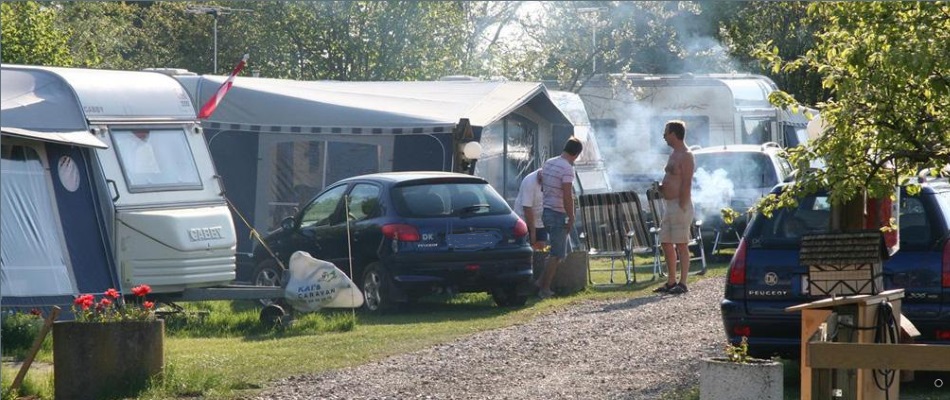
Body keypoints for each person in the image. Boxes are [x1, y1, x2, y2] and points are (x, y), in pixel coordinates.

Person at [536, 137, 583, 299]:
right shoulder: (567, 169)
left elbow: (542, 182)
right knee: (557, 254)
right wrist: (571, 216)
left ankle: (540, 281)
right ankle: (544, 288)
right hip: (558, 213)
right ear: (576, 154)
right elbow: (567, 195)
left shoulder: (549, 162)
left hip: (546, 210)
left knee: (563, 250)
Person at [654, 120, 695, 294]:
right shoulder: (673, 154)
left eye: (666, 132)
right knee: (666, 242)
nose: (664, 136)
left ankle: (683, 282)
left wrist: (683, 204)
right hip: (669, 205)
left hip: (680, 205)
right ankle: (671, 281)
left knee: (681, 243)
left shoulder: (686, 155)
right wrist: (662, 188)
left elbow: (686, 182)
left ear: (674, 134)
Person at [514, 168, 547, 251]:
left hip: (540, 220)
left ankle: (534, 258)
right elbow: (527, 209)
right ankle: (524, 256)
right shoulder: (529, 182)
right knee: (527, 244)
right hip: (524, 219)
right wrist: (533, 232)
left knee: (541, 244)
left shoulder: (552, 180)